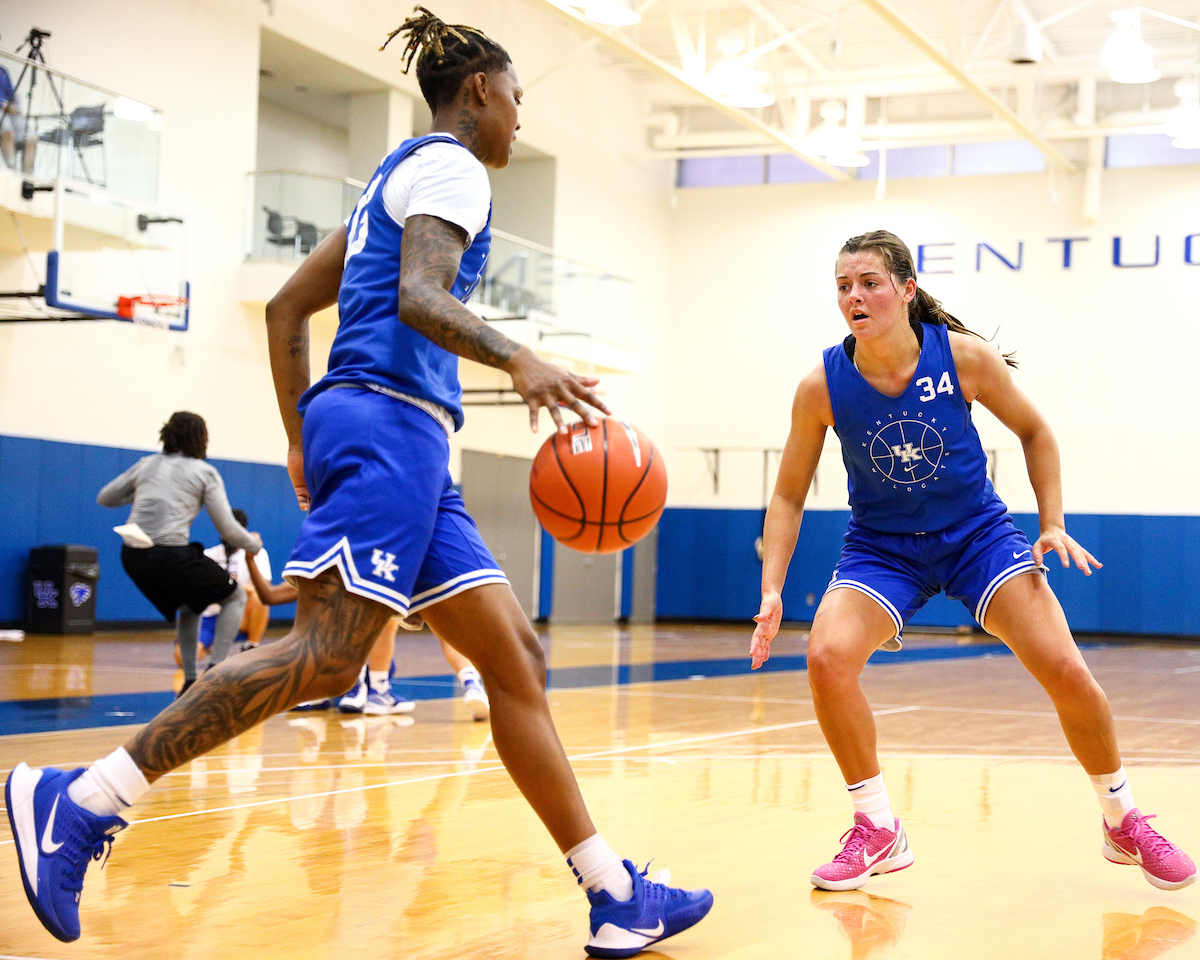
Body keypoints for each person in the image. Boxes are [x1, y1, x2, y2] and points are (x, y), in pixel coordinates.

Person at [5, 10, 712, 956]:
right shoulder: (452, 166)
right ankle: (81, 800)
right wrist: (519, 358)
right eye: (514, 100)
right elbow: (421, 297)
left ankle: (614, 891)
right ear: (476, 95)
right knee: (330, 657)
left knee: (515, 663)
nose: (516, 121)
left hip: (399, 435)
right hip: (388, 420)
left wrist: (302, 436)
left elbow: (291, 308)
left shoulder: (394, 176)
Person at [749, 229, 1196, 895]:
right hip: (882, 548)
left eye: (868, 282)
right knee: (826, 656)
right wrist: (773, 589)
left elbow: (1036, 432)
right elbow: (788, 495)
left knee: (1067, 670)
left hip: (977, 538)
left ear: (906, 289)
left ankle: (1121, 818)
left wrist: (1051, 524)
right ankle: (877, 828)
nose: (853, 296)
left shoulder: (964, 359)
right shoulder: (822, 385)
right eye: (843, 286)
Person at [95, 411, 261, 697]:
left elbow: (106, 498)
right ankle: (215, 671)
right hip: (169, 554)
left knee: (190, 603)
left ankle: (189, 680)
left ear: (167, 435)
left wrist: (143, 491)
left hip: (132, 556)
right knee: (236, 597)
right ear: (201, 439)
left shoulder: (147, 465)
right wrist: (254, 545)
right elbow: (228, 529)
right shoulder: (204, 472)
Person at [245, 556, 490, 719]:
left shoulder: (328, 564)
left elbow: (270, 596)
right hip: (357, 655)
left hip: (332, 660)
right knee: (406, 623)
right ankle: (468, 681)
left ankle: (336, 687)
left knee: (366, 617)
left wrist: (248, 558)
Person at [197, 508, 272, 655]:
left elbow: (265, 591)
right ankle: (215, 646)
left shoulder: (257, 554)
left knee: (259, 599)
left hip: (241, 616)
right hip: (212, 616)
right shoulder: (208, 555)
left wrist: (230, 584)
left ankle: (252, 646)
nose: (227, 535)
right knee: (182, 656)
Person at [0, 62, 36, 174]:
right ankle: (13, 173)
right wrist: (2, 104)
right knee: (7, 132)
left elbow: (12, 94)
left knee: (31, 138)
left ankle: (27, 178)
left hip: (10, 109)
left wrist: (14, 106)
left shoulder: (2, 71)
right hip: (1, 109)